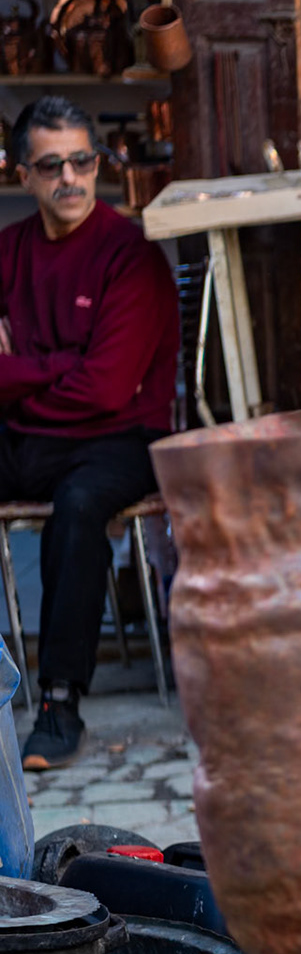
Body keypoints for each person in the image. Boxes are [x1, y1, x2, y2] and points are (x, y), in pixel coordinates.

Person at [0, 97, 178, 769]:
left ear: (98, 165)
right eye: (51, 165)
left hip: (123, 440)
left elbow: (110, 389)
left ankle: (58, 700)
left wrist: (17, 372)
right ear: (24, 175)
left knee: (78, 510)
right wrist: (60, 368)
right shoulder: (9, 251)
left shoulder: (129, 254)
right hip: (32, 436)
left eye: (82, 160)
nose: (70, 177)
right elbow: (91, 377)